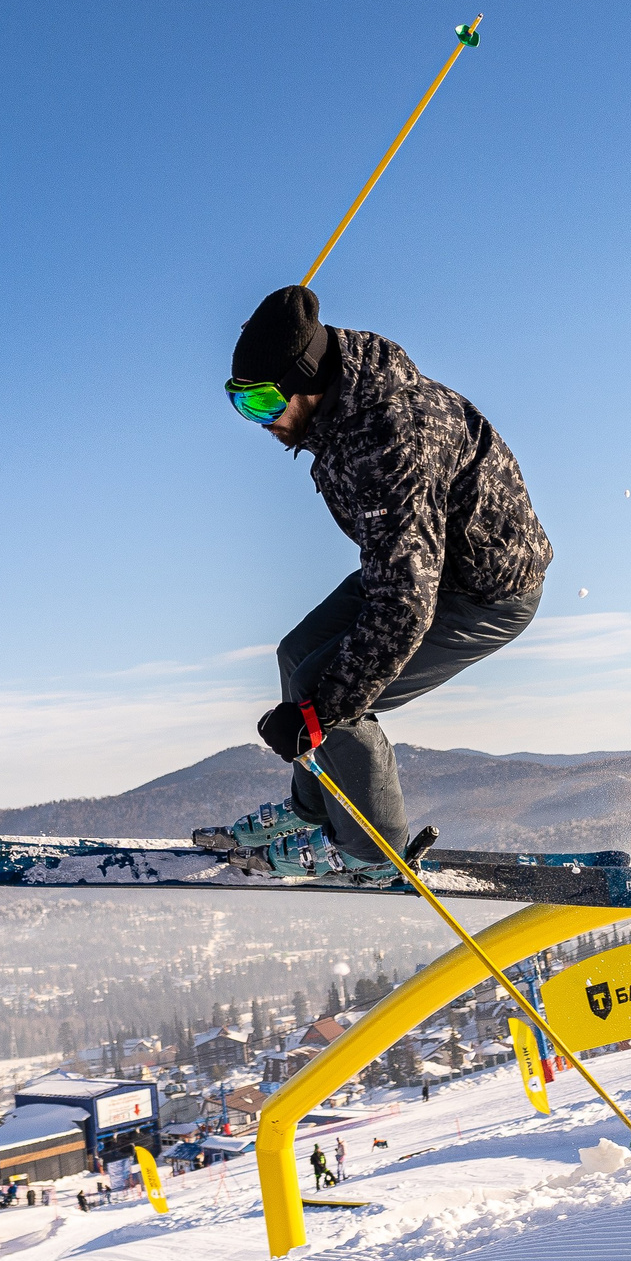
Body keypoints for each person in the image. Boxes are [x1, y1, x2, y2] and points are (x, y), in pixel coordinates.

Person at [200, 285, 551, 875]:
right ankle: (314, 812)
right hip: (422, 567)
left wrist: (318, 712)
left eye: (263, 403)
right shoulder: (343, 393)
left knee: (328, 697)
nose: (258, 422)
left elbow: (405, 608)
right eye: (242, 404)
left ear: (307, 380)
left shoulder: (388, 439)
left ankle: (372, 852)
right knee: (298, 654)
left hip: (482, 592)